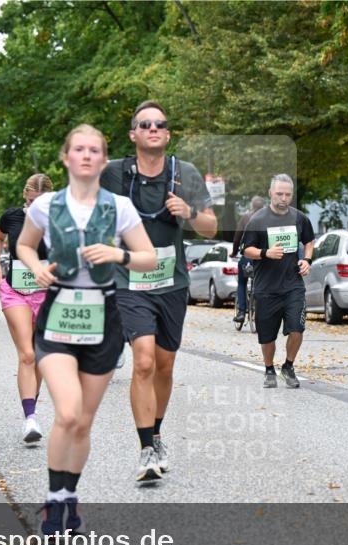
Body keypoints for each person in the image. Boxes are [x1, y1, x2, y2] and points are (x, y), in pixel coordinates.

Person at [16, 124, 156, 535]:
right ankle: (53, 501)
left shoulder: (120, 207)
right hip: (58, 315)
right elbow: (24, 245)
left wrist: (118, 254)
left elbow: (148, 257)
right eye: (79, 149)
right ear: (67, 157)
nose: (87, 155)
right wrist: (36, 267)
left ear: (103, 159)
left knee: (83, 422)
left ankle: (69, 495)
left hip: (103, 317)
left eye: (95, 150)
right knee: (68, 412)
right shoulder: (46, 206)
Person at [99, 100, 217, 483]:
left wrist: (189, 212)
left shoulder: (185, 173)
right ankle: (145, 448)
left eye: (160, 124)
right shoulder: (113, 174)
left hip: (172, 282)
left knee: (165, 365)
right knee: (144, 361)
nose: (153, 128)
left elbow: (212, 228)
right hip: (130, 281)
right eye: (145, 124)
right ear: (133, 134)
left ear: (167, 134)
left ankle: (158, 433)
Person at [0, 173, 55, 444]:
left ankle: (32, 411)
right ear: (25, 195)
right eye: (30, 201)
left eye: (40, 202)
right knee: (27, 354)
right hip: (15, 289)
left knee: (39, 355)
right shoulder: (12, 216)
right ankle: (30, 419)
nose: (33, 207)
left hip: (47, 292)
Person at [241, 174, 315, 389]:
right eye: (279, 194)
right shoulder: (258, 220)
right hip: (266, 287)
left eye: (288, 194)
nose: (284, 198)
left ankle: (288, 366)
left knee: (297, 328)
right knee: (267, 337)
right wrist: (265, 253)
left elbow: (309, 241)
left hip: (293, 285)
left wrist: (307, 260)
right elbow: (246, 250)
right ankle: (269, 369)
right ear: (270, 193)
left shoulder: (299, 218)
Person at [232, 196, 266, 323]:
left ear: (252, 205)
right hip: (263, 258)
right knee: (262, 282)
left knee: (242, 282)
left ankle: (241, 312)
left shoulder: (246, 218)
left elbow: (237, 237)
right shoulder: (268, 218)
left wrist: (234, 252)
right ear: (263, 206)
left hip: (247, 258)